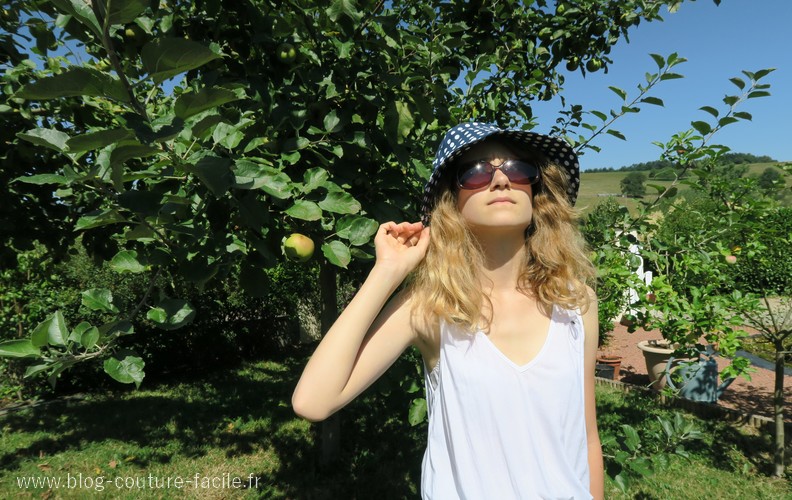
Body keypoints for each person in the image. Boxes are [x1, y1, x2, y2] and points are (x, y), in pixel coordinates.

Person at [292, 122, 604, 499]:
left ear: (537, 192)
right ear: (450, 201)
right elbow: (313, 401)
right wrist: (387, 272)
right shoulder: (432, 307)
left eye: (519, 168)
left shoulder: (576, 302)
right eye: (476, 172)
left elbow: (587, 436)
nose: (501, 180)